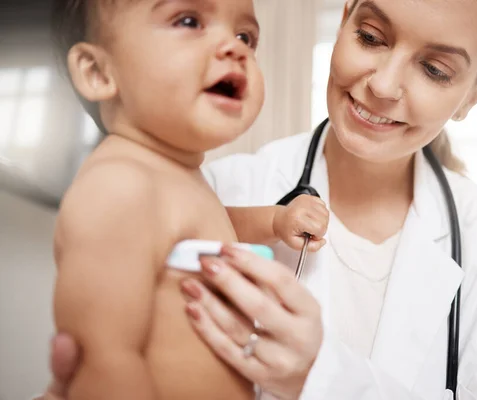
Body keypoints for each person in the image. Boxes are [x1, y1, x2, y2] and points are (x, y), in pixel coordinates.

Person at [41, 0, 477, 399]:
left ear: (473, 96)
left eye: (435, 70)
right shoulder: (210, 188)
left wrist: (320, 378)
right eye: (370, 36)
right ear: (345, 18)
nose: (384, 85)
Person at [47, 0, 328, 399]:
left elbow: (213, 231)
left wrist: (275, 222)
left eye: (245, 36)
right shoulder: (118, 185)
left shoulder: (176, 178)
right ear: (98, 72)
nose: (236, 48)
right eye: (189, 21)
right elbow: (104, 358)